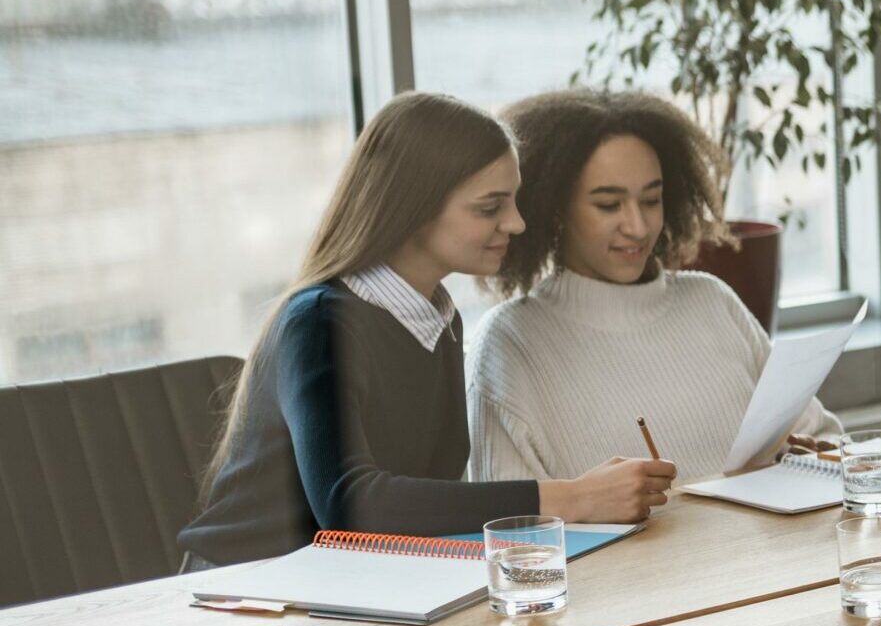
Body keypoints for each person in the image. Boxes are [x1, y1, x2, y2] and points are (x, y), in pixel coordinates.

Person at [180, 91, 673, 570]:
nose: (517, 223)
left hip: (352, 583)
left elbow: (431, 501)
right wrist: (572, 498)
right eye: (490, 207)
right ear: (413, 207)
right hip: (245, 593)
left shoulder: (440, 321)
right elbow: (351, 506)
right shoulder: (318, 323)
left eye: (513, 201)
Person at [469, 88, 836, 483]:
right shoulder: (510, 343)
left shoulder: (712, 302)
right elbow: (512, 533)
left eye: (651, 200)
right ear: (555, 209)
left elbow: (827, 435)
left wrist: (806, 460)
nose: (638, 227)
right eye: (609, 205)